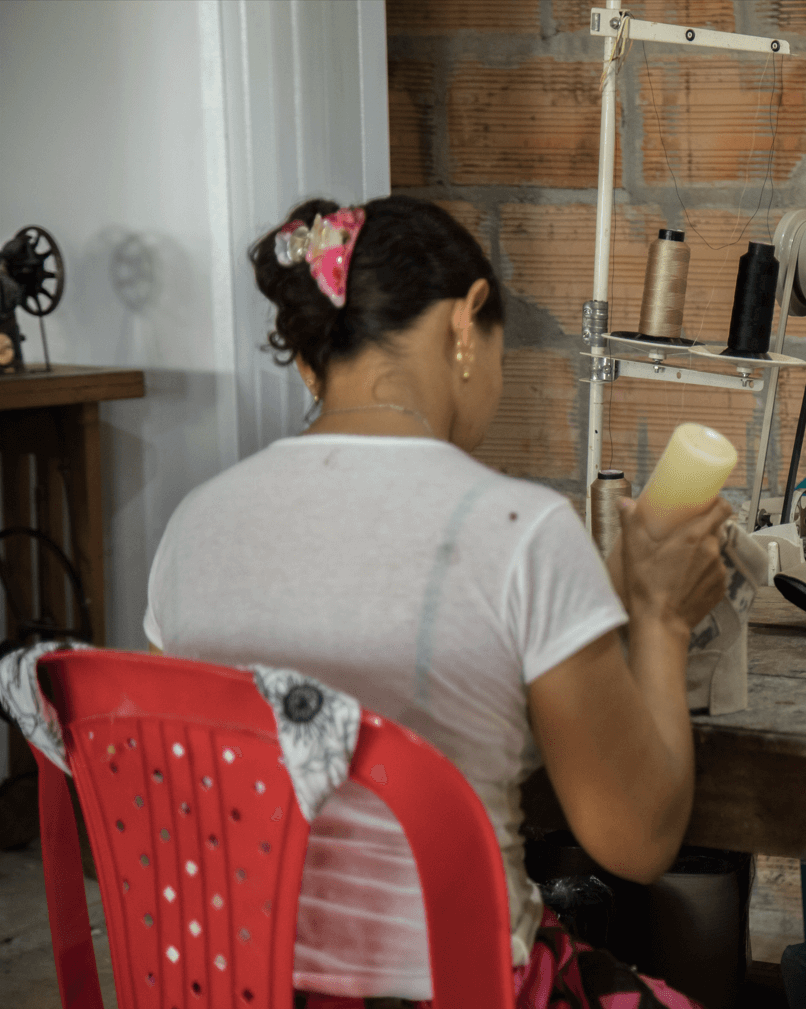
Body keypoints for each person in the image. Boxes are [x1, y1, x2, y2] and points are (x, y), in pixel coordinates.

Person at [143, 196, 725, 1006]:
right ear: (467, 320)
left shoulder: (192, 526)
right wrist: (661, 616)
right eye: (499, 351)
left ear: (316, 355)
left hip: (230, 985)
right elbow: (638, 838)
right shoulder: (519, 529)